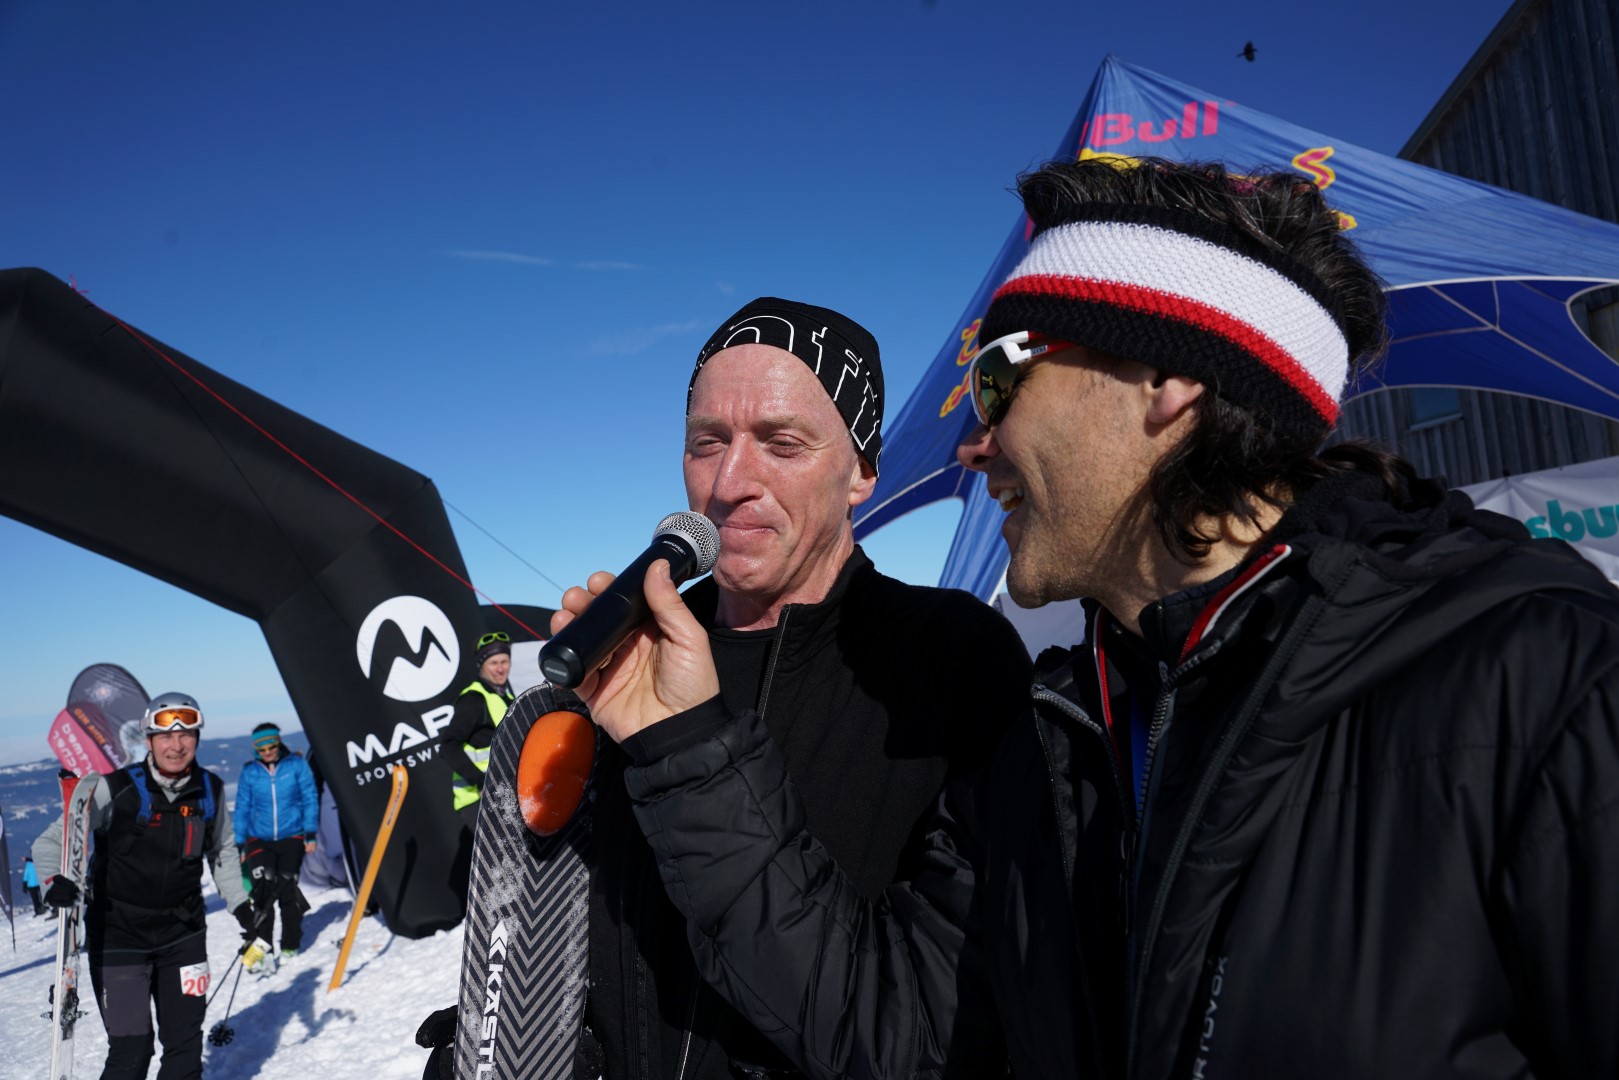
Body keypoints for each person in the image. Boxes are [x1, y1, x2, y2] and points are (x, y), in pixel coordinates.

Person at [559, 160, 1619, 1078]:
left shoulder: (1539, 678)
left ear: (1168, 381)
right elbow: (903, 1032)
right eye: (706, 440)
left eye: (997, 380)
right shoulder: (1063, 739)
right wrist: (684, 752)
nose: (972, 446)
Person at [417, 297, 1031, 1079]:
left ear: (861, 472)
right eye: (707, 442)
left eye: (783, 443)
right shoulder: (624, 659)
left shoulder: (950, 660)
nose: (730, 481)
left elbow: (928, 1041)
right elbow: (560, 935)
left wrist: (686, 750)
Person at [33, 691, 254, 1080]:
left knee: (185, 1047)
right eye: (165, 736)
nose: (176, 745)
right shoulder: (115, 788)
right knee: (132, 1051)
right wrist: (54, 882)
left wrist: (240, 904)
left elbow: (221, 851)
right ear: (149, 740)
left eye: (186, 735)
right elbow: (52, 841)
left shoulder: (210, 790)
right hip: (119, 938)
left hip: (183, 936)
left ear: (197, 738)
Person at [234, 721, 319, 967]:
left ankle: (290, 944)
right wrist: (239, 843)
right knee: (262, 894)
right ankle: (263, 949)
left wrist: (310, 832)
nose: (267, 752)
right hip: (258, 838)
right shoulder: (250, 771)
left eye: (271, 747)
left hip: (292, 836)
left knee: (286, 892)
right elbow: (242, 807)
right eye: (261, 749)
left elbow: (310, 797)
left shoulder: (296, 765)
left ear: (278, 742)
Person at [441, 629, 516, 905]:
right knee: (502, 864)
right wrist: (481, 780)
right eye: (493, 663)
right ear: (482, 665)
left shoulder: (503, 694)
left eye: (504, 661)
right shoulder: (473, 700)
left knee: (517, 861)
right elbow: (448, 745)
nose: (500, 668)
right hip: (477, 800)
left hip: (502, 795)